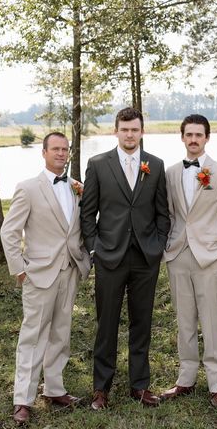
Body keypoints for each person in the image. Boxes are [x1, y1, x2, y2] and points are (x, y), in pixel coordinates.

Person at [81, 107, 170, 410]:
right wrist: (95, 248)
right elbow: (87, 212)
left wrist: (157, 245)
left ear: (141, 131)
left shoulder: (155, 165)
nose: (129, 134)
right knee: (106, 324)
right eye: (124, 129)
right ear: (115, 131)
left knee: (141, 323)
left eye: (134, 129)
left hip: (146, 257)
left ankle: (140, 386)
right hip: (109, 256)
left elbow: (163, 213)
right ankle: (100, 389)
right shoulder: (97, 164)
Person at [0, 131, 91, 425]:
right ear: (44, 152)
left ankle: (54, 389)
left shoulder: (77, 187)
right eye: (55, 149)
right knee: (33, 336)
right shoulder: (28, 188)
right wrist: (20, 269)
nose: (61, 154)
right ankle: (22, 399)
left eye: (65, 149)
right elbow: (9, 232)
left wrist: (84, 261)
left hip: (69, 270)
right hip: (38, 274)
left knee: (61, 334)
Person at [160, 114, 217, 407]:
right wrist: (168, 247)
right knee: (184, 320)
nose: (193, 139)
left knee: (211, 321)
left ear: (207, 138)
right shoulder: (170, 173)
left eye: (199, 135)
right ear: (182, 137)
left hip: (210, 257)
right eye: (189, 135)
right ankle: (186, 378)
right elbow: (169, 214)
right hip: (178, 255)